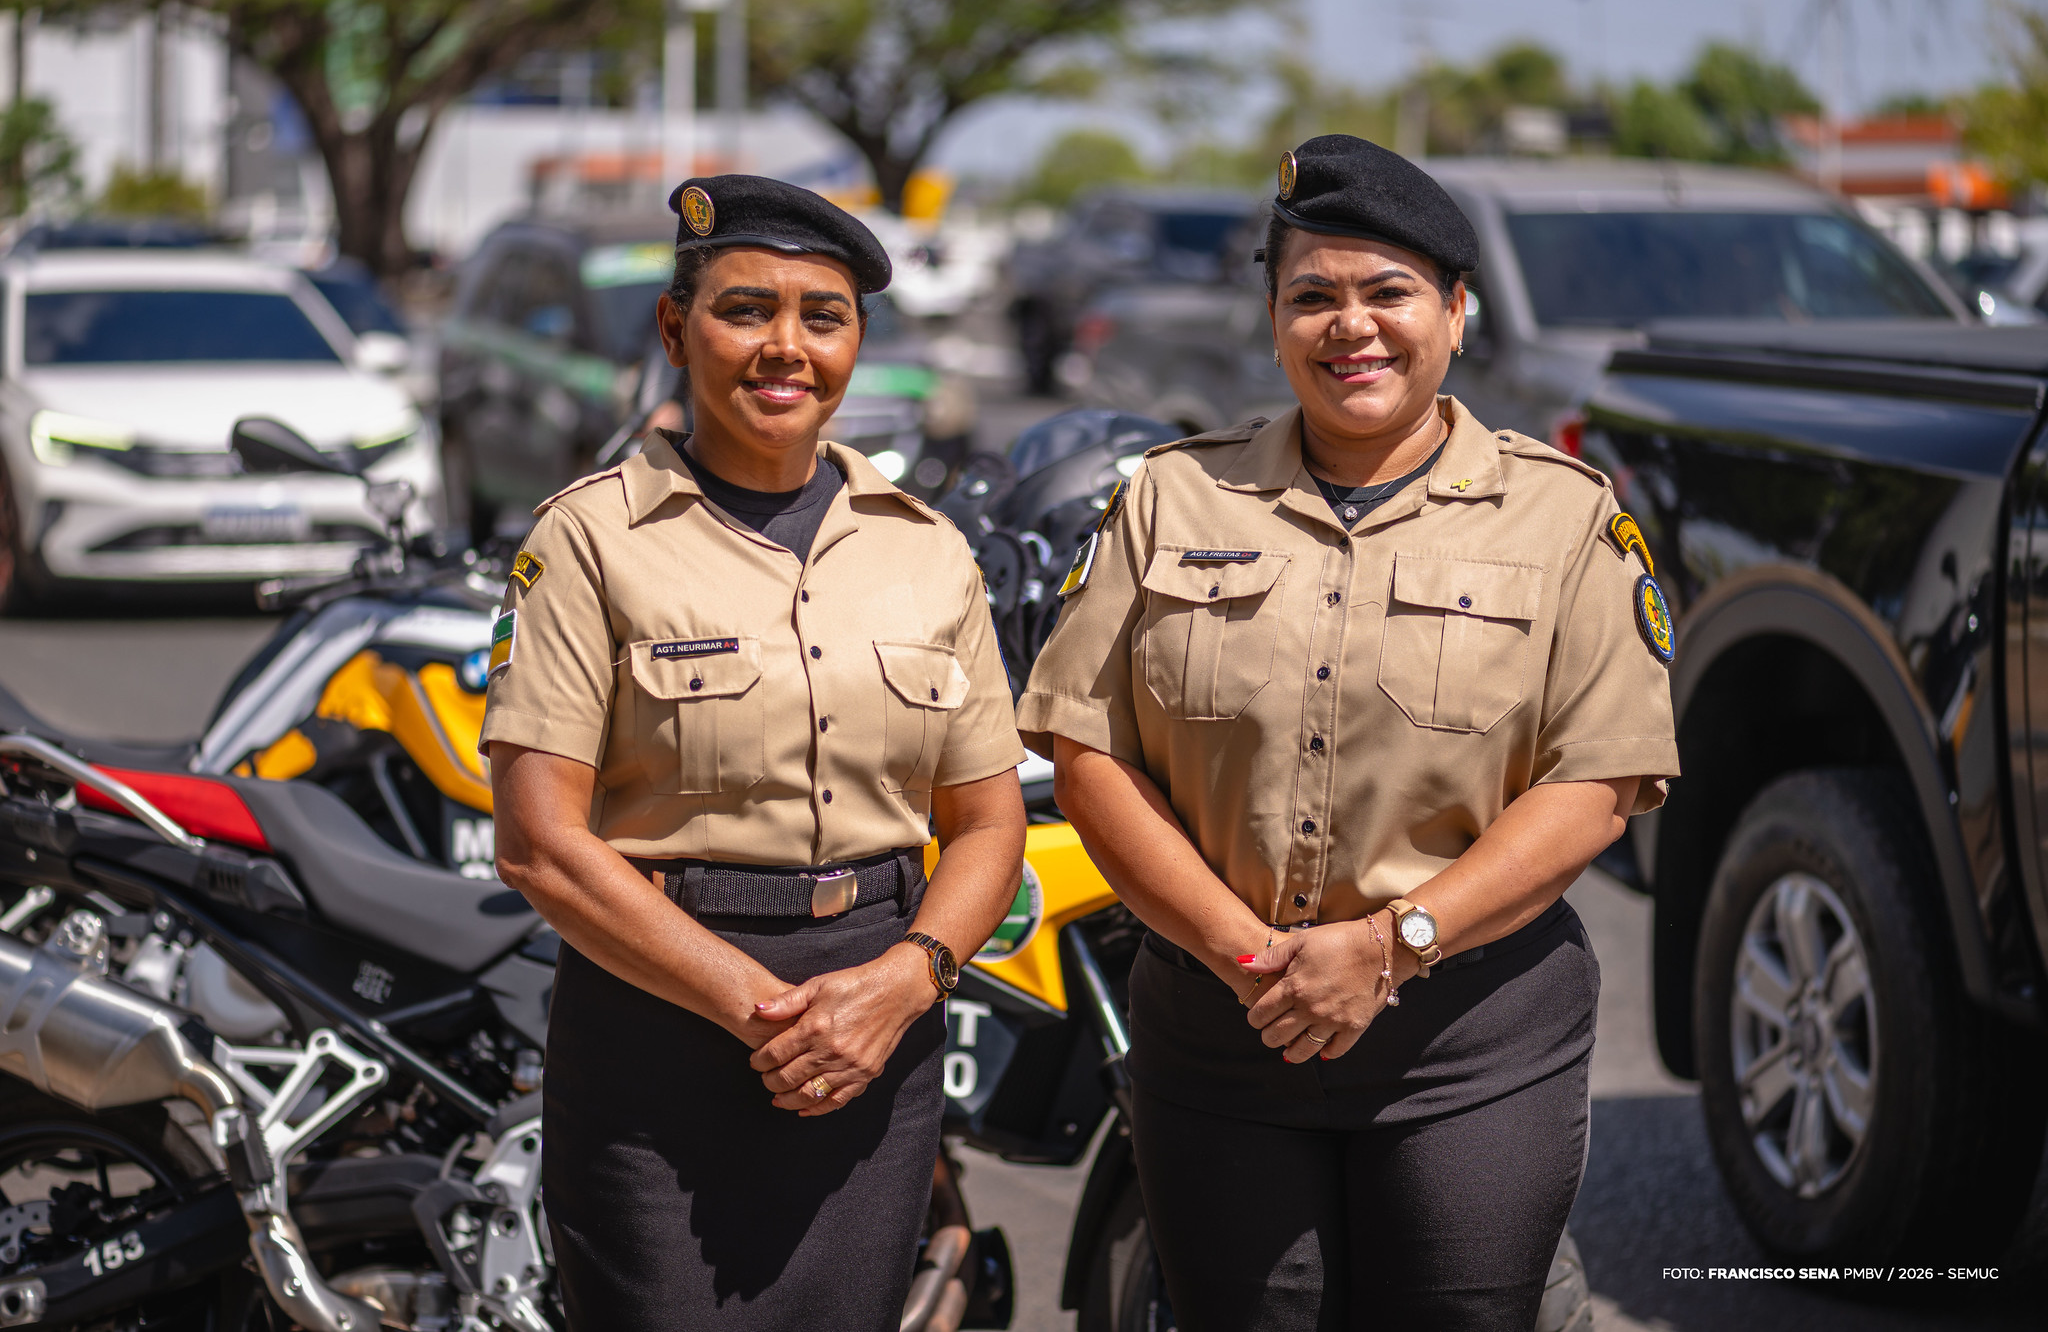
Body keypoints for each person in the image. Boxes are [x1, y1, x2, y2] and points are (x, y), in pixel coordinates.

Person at [1017, 133, 1679, 1330]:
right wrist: (1245, 954)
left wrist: (1392, 942)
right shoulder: (1169, 495)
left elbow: (1594, 781)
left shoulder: (1562, 516)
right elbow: (1087, 752)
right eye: (1311, 296)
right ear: (1273, 322)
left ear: (1455, 314)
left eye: (1388, 292)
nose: (1350, 326)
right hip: (1222, 1029)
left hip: (1466, 1037)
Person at [483, 174, 1027, 1330]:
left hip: (877, 1025)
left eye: (822, 318)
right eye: (744, 310)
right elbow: (538, 844)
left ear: (855, 344)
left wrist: (904, 982)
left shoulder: (926, 552)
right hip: (659, 1025)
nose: (785, 347)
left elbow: (987, 825)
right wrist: (762, 1010)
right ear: (675, 329)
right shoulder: (587, 539)